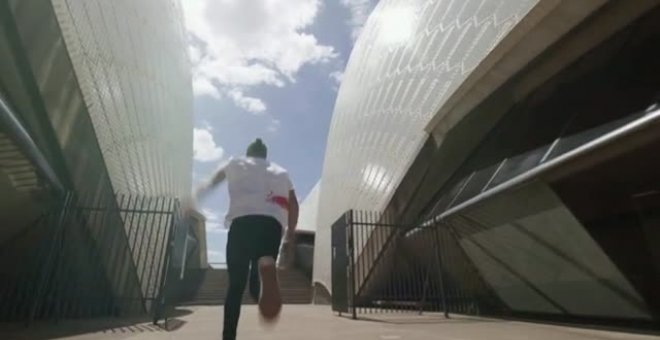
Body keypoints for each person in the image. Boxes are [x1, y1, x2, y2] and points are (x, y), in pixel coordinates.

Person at [191, 138, 299, 340]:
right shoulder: (281, 172)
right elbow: (293, 203)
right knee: (261, 264)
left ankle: (229, 336)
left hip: (242, 225)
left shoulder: (236, 163)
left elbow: (214, 180)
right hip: (271, 226)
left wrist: (197, 194)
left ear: (249, 154)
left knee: (235, 287)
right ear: (265, 155)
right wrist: (290, 235)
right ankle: (263, 268)